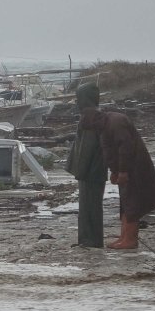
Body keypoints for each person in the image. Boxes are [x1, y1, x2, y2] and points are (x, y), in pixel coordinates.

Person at [79, 86, 155, 249]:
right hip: (124, 169)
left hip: (135, 166)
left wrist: (123, 171)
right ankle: (124, 236)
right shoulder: (104, 126)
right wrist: (114, 171)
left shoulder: (116, 122)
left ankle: (130, 240)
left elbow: (125, 148)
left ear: (93, 121)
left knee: (132, 203)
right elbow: (108, 152)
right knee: (125, 203)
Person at [65, 83, 108, 247]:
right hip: (95, 168)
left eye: (78, 98)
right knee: (91, 206)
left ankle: (90, 241)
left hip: (90, 170)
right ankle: (89, 239)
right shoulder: (96, 114)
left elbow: (87, 148)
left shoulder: (89, 116)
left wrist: (80, 170)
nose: (76, 102)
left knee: (89, 207)